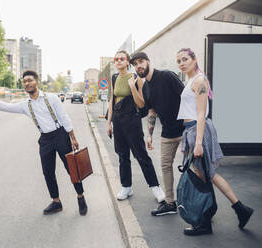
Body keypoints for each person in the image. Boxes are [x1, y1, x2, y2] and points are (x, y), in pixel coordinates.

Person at [0, 70, 88, 216]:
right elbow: (3, 106)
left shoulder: (51, 98)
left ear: (37, 82)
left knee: (71, 169)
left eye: (30, 80)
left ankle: (80, 197)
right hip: (45, 139)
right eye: (24, 81)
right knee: (48, 172)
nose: (27, 83)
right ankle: (56, 202)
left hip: (60, 135)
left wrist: (72, 137)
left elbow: (64, 117)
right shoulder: (25, 105)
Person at [176, 48, 254, 236]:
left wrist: (198, 143)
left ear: (195, 60)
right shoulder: (191, 80)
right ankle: (236, 210)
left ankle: (207, 219)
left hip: (198, 130)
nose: (181, 63)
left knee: (205, 174)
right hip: (192, 131)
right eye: (178, 61)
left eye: (185, 59)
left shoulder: (200, 80)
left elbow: (201, 113)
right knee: (207, 174)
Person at [130, 52, 185, 216]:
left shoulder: (167, 76)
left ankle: (202, 207)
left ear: (148, 61)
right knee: (165, 167)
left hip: (185, 130)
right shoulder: (146, 86)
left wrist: (192, 126)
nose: (138, 66)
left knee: (194, 169)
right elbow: (151, 111)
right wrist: (149, 135)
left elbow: (187, 97)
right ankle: (169, 203)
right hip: (167, 133)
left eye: (141, 62)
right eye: (135, 64)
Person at [106, 50, 165, 202]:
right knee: (122, 156)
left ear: (127, 62)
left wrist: (132, 87)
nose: (118, 61)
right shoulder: (114, 77)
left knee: (141, 156)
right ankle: (126, 187)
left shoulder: (136, 78)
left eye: (122, 59)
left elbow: (141, 104)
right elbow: (112, 100)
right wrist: (109, 123)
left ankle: (156, 188)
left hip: (132, 121)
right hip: (118, 121)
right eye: (116, 59)